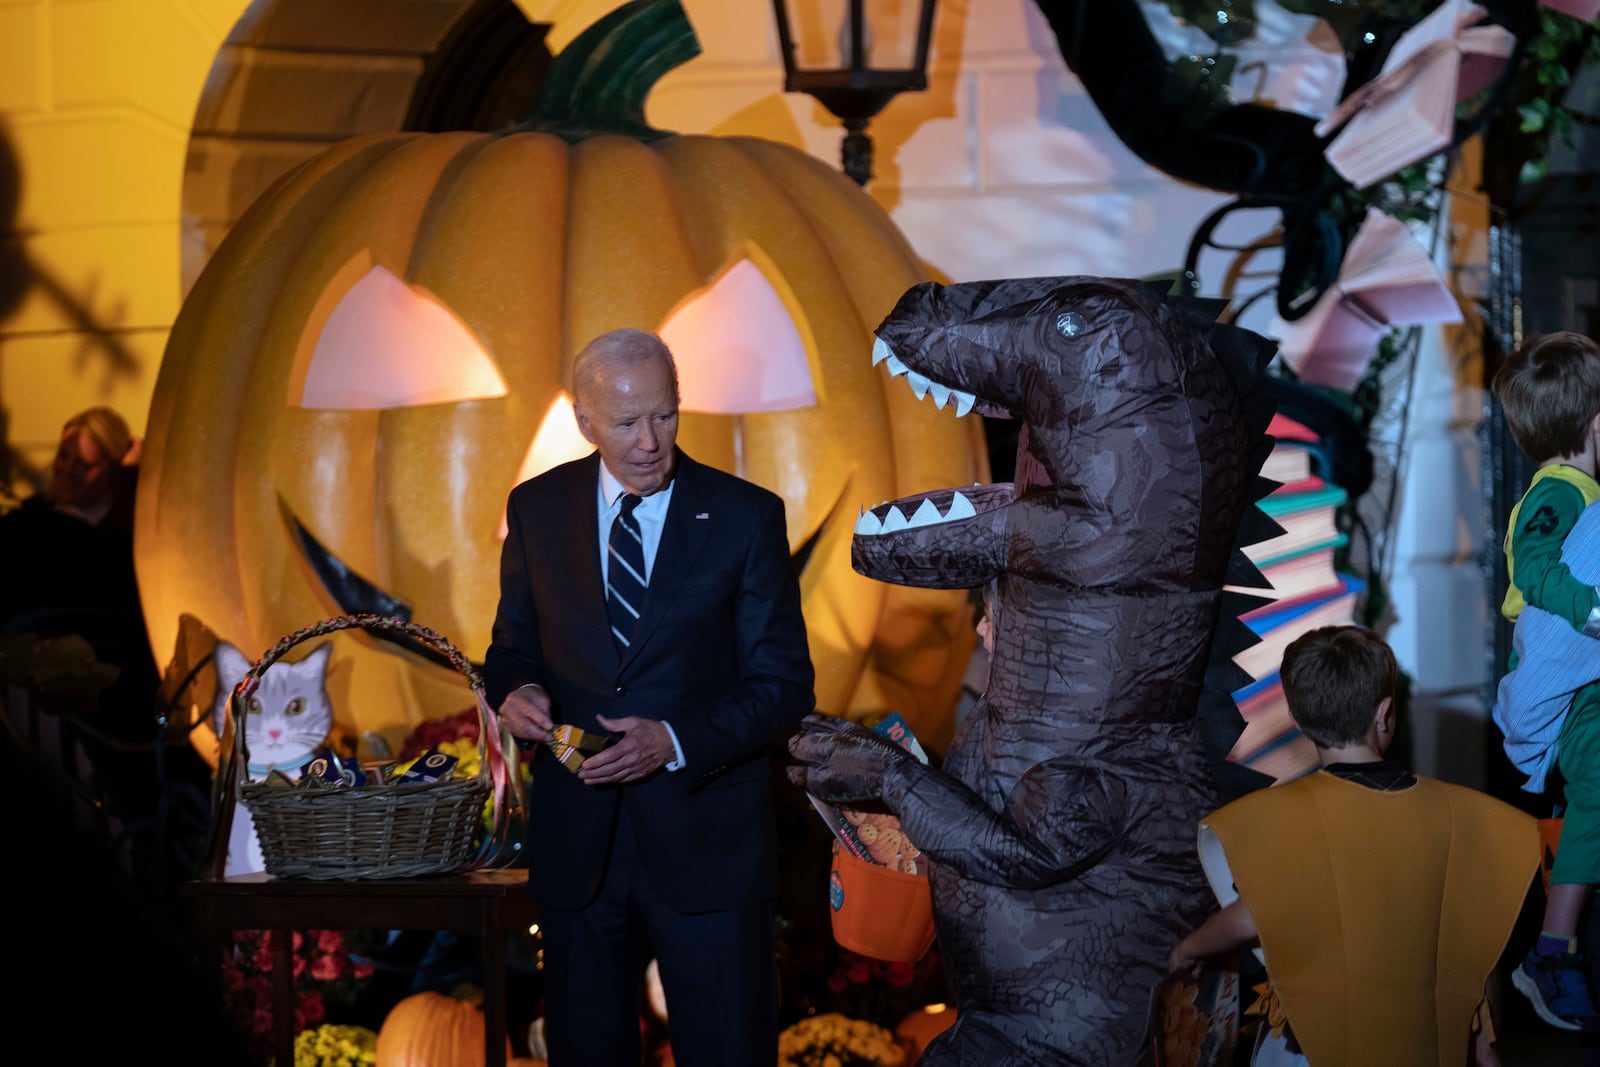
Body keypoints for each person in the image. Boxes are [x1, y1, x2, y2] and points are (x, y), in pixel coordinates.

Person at [483, 327, 815, 1067]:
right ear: (584, 421)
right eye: (628, 422)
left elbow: (785, 685)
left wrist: (674, 738)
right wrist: (515, 687)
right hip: (581, 848)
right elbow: (510, 647)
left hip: (709, 845)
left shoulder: (744, 517)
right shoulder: (537, 510)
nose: (649, 441)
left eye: (664, 415)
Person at [1168, 625, 1538, 1066]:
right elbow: (1474, 953)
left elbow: (1255, 915)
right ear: (1385, 714)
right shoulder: (1463, 816)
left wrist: (1189, 949)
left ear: (1297, 718)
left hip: (1307, 1046)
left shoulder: (1284, 818)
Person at [1489, 330, 1600, 1031]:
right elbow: (1532, 563)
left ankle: (1558, 944)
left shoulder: (1579, 487)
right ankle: (1552, 948)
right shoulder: (1558, 492)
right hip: (1561, 680)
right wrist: (1588, 608)